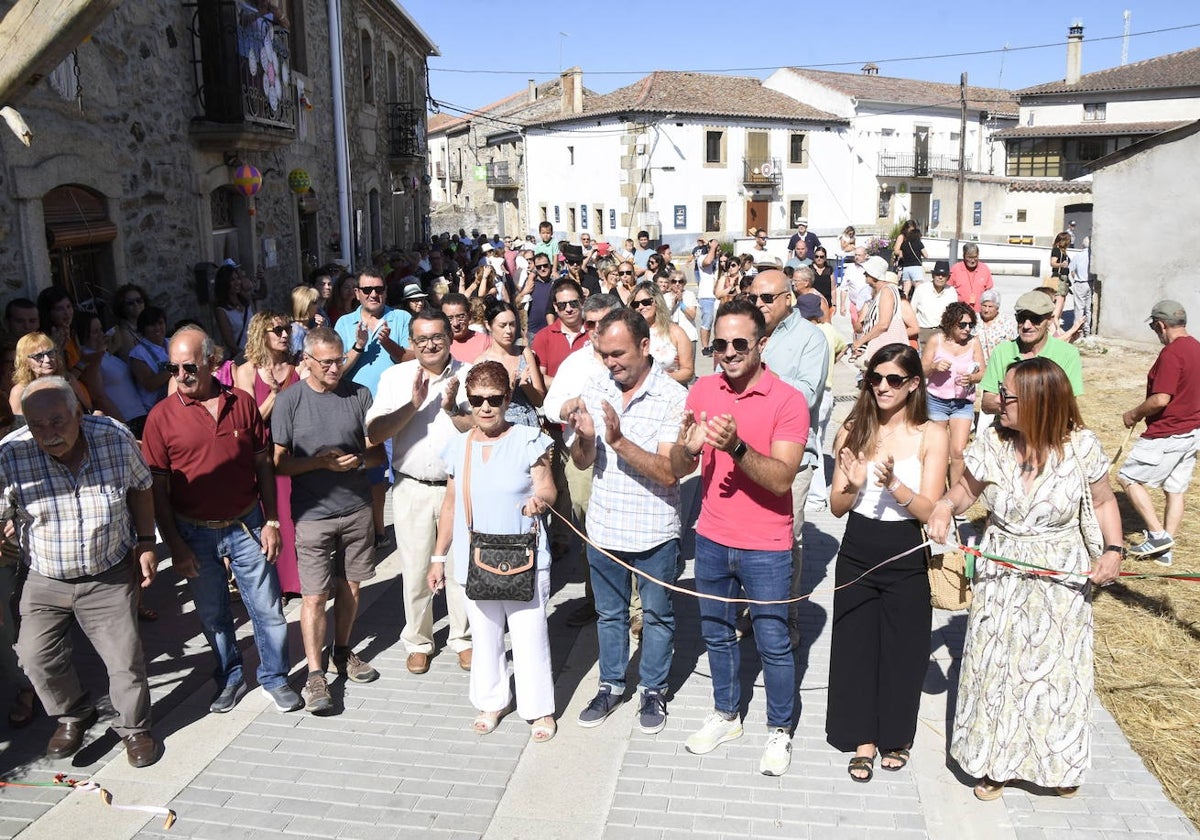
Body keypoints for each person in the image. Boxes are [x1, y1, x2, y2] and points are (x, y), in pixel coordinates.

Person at [927, 357, 1123, 800]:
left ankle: (1056, 765)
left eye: (1007, 395)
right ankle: (994, 763)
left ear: (1038, 401)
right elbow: (965, 492)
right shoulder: (992, 443)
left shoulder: (1082, 446)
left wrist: (1113, 550)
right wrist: (944, 505)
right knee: (996, 667)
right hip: (1002, 566)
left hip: (1061, 572)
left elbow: (1105, 501)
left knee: (1057, 673)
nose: (996, 401)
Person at [671, 298, 808, 777]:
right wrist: (685, 451)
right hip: (710, 536)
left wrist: (736, 447)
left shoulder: (788, 400)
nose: (727, 352)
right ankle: (727, 714)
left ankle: (779, 729)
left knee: (772, 640)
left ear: (761, 344)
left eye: (739, 343)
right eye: (720, 342)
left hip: (767, 544)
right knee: (716, 633)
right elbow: (678, 465)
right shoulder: (703, 390)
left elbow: (781, 479)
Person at [142, 327, 301, 715]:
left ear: (213, 361)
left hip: (247, 525)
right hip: (193, 533)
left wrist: (273, 521)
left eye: (189, 366)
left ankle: (275, 677)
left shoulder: (242, 403)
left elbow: (262, 463)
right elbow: (156, 491)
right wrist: (174, 545)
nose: (180, 375)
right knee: (212, 614)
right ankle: (229, 675)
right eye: (172, 367)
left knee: (268, 610)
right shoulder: (160, 418)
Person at [3, 377, 161, 766]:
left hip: (107, 572)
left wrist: (145, 542)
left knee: (124, 659)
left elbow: (141, 487)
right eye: (37, 425)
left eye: (57, 421)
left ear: (78, 412)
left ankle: (135, 729)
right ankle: (75, 713)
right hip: (46, 576)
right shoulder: (11, 453)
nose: (48, 433)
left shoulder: (112, 436)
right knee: (35, 657)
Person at [827, 344, 948, 782]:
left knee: (903, 648)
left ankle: (896, 735)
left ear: (914, 383)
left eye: (894, 379)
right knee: (856, 646)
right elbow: (837, 506)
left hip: (905, 549)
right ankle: (862, 738)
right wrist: (854, 485)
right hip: (858, 545)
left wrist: (895, 485)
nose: (882, 386)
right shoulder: (854, 428)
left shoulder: (932, 433)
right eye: (875, 378)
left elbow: (930, 508)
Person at [564, 309, 687, 735]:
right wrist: (584, 438)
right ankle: (611, 684)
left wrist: (617, 440)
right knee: (609, 614)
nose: (611, 363)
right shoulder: (596, 386)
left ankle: (653, 689)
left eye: (618, 354)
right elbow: (584, 461)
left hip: (654, 529)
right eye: (604, 354)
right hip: (604, 527)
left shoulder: (674, 396)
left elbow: (669, 471)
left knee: (656, 615)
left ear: (645, 346)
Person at [427, 361, 556, 740]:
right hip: (475, 558)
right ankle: (491, 700)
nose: (485, 407)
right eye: (477, 399)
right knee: (484, 637)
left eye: (494, 399)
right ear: (468, 401)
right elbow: (450, 506)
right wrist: (438, 557)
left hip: (524, 557)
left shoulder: (529, 438)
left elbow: (548, 488)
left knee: (530, 636)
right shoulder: (458, 446)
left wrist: (539, 503)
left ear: (507, 398)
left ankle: (539, 710)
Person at [272, 328, 384, 714]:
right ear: (307, 361)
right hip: (313, 515)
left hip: (355, 508)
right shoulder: (290, 401)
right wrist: (319, 462)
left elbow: (377, 456)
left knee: (351, 586)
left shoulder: (359, 395)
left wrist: (356, 459)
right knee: (314, 595)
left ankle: (343, 651)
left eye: (339, 359)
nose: (336, 367)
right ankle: (315, 675)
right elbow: (279, 463)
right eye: (327, 362)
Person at [365, 309, 473, 675]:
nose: (430, 345)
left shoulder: (469, 373)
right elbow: (375, 433)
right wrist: (412, 405)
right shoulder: (395, 377)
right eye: (422, 339)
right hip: (411, 487)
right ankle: (418, 640)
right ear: (411, 343)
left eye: (437, 337)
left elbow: (487, 427)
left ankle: (464, 638)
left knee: (462, 568)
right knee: (414, 568)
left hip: (457, 488)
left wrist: (454, 408)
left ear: (450, 338)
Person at [748, 269, 829, 646]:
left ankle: (787, 617)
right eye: (754, 298)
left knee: (787, 539)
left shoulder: (810, 338)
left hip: (791, 456)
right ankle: (751, 608)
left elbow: (806, 395)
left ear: (787, 298)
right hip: (745, 451)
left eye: (766, 298)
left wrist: (759, 376)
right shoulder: (747, 332)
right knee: (749, 537)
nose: (759, 305)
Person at [1118, 300, 1200, 566]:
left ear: (1161, 324)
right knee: (1175, 489)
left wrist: (1134, 413)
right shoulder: (1196, 348)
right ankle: (1165, 551)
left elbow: (1161, 399)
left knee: (1127, 478)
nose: (1156, 333)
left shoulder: (1172, 353)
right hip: (1192, 431)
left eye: (1154, 327)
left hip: (1167, 432)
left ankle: (1157, 535)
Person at [334, 269, 412, 542]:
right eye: (366, 290)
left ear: (385, 291)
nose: (373, 294)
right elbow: (337, 371)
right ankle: (376, 531)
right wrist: (358, 346)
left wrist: (388, 342)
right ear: (357, 293)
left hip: (395, 410)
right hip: (357, 411)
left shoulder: (401, 318)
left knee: (403, 474)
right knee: (370, 475)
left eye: (378, 288)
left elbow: (412, 360)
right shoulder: (344, 323)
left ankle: (408, 531)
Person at [235, 311, 302, 599]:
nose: (285, 334)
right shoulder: (247, 370)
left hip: (293, 451)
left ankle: (296, 582)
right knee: (270, 517)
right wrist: (275, 396)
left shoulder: (298, 367)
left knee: (293, 514)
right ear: (262, 334)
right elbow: (248, 421)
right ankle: (274, 582)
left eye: (287, 329)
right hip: (263, 454)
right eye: (277, 330)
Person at [980, 290, 1082, 416]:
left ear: (1050, 320)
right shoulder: (1002, 351)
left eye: (1035, 319)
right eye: (1021, 318)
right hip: (1009, 430)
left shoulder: (1067, 353)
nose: (1027, 325)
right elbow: (987, 403)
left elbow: (1068, 404)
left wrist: (1011, 402)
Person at [922, 302, 984, 486]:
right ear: (950, 323)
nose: (967, 329)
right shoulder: (936, 340)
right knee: (937, 450)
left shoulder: (974, 342)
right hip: (936, 401)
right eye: (962, 324)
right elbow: (921, 370)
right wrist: (933, 367)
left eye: (970, 324)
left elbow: (983, 372)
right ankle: (935, 491)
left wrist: (972, 378)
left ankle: (954, 501)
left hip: (962, 403)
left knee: (958, 451)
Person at [797, 295, 847, 511]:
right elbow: (843, 346)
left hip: (816, 393)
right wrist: (832, 363)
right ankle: (814, 493)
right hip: (827, 392)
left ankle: (816, 497)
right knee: (818, 440)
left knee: (812, 444)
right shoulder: (829, 330)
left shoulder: (807, 333)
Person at [473, 299, 544, 428]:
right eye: (502, 325)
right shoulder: (482, 362)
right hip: (500, 426)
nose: (509, 331)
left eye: (512, 324)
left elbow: (539, 400)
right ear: (488, 325)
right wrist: (508, 391)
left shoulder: (524, 353)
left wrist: (525, 385)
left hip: (529, 423)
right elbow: (481, 406)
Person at [72, 311, 145, 432]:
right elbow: (98, 396)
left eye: (101, 329)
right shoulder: (89, 358)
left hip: (138, 413)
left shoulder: (105, 353)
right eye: (95, 332)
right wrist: (123, 427)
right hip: (125, 419)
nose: (101, 335)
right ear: (83, 336)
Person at [9, 332, 92, 419]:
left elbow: (88, 412)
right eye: (38, 356)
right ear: (25, 362)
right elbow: (19, 427)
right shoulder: (20, 392)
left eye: (50, 353)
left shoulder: (68, 380)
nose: (47, 359)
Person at [629, 281, 694, 385]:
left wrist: (658, 378)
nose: (640, 307)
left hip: (671, 394)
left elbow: (688, 371)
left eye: (646, 302)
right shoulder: (630, 334)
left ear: (657, 302)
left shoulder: (676, 332)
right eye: (635, 304)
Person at [532, 279, 589, 385]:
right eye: (562, 305)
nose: (568, 309)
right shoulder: (543, 336)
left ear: (582, 302)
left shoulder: (595, 333)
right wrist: (567, 386)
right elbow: (539, 378)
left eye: (573, 303)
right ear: (555, 307)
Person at [850, 256, 906, 363]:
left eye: (866, 273)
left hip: (886, 350)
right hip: (880, 348)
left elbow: (883, 324)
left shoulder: (886, 291)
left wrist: (860, 342)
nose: (864, 275)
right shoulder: (881, 292)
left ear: (874, 275)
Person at [126, 306, 172, 417]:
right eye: (152, 325)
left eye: (160, 323)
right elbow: (149, 384)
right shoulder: (138, 354)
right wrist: (176, 367)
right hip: (156, 411)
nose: (157, 328)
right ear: (143, 329)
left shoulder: (173, 343)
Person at [911, 260, 958, 349]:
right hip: (924, 332)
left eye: (944, 275)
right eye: (937, 274)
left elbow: (953, 314)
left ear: (948, 277)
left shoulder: (951, 291)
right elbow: (912, 310)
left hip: (943, 332)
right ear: (933, 275)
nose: (940, 277)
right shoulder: (921, 289)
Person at [213, 264, 254, 359]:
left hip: (255, 353)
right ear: (225, 283)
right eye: (232, 280)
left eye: (237, 279)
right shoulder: (222, 311)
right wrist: (247, 358)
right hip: (240, 358)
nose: (237, 283)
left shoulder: (246, 304)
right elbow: (231, 344)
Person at [442, 292, 491, 363]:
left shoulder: (486, 342)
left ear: (469, 316)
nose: (456, 323)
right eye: (449, 318)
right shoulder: (437, 345)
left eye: (461, 317)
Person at [106, 284, 149, 362]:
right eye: (130, 303)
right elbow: (133, 362)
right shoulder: (123, 333)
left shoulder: (147, 325)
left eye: (139, 300)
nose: (136, 305)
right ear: (122, 307)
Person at [947, 243, 993, 313]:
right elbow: (948, 290)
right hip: (960, 313)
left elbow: (989, 292)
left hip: (980, 313)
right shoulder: (955, 269)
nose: (973, 261)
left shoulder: (984, 269)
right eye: (969, 257)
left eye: (975, 257)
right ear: (964, 256)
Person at [976, 289, 1016, 365]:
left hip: (999, 364)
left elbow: (1012, 346)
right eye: (984, 306)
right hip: (978, 366)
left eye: (990, 306)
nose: (986, 310)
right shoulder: (974, 319)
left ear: (997, 308)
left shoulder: (1006, 323)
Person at [892, 220, 928, 299]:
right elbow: (896, 250)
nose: (911, 232)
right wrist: (905, 253)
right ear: (906, 229)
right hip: (904, 264)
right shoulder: (902, 237)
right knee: (917, 287)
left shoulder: (913, 240)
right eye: (910, 230)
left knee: (906, 288)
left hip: (907, 266)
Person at [289, 285, 320, 363]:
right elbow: (296, 359)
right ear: (305, 305)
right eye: (314, 303)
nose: (317, 306)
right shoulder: (297, 331)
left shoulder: (305, 327)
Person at [1070, 237, 1093, 339]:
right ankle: (1086, 331)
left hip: (1080, 283)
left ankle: (1077, 333)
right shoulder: (1092, 256)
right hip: (1090, 283)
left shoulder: (1078, 255)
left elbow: (1071, 270)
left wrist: (1076, 278)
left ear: (1083, 244)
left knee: (1079, 308)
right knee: (1088, 309)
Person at [1049, 232, 1072, 326]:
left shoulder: (1063, 252)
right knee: (1058, 303)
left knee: (1061, 303)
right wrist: (1061, 265)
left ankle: (1055, 324)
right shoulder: (1056, 250)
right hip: (1059, 278)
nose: (1069, 242)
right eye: (1068, 240)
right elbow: (1052, 263)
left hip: (1064, 279)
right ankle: (1054, 326)